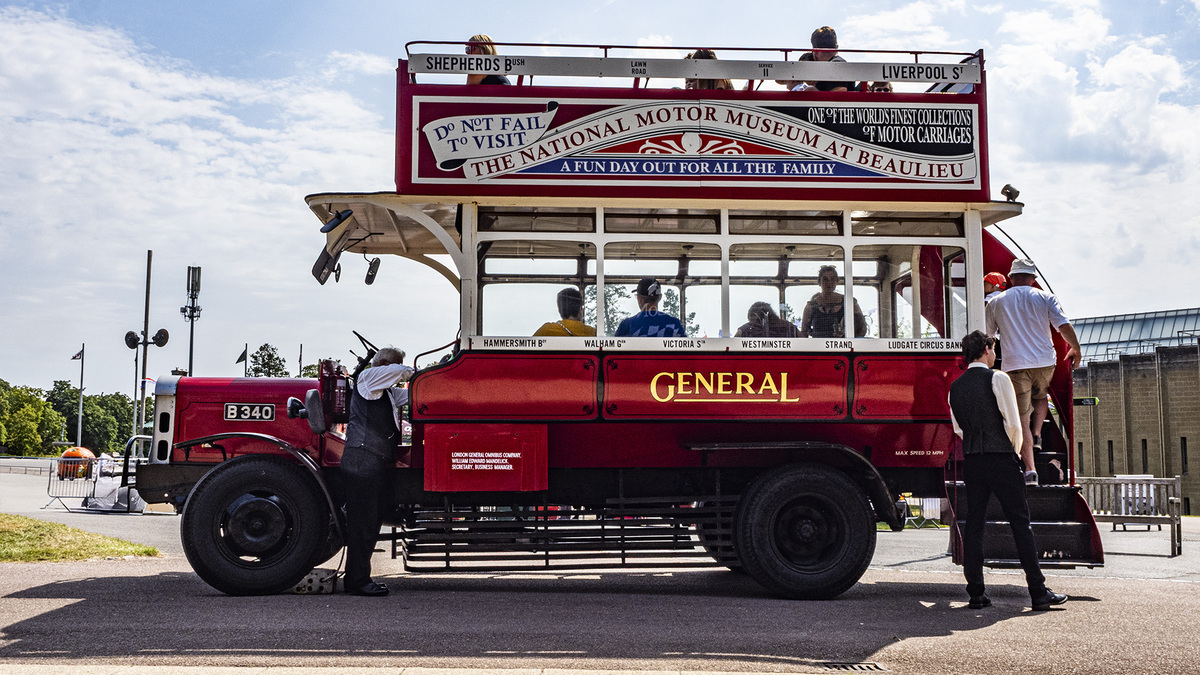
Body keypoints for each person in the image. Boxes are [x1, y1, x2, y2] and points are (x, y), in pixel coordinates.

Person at [949, 330, 1068, 612]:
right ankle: (1038, 592)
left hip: (973, 460)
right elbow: (1013, 424)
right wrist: (1013, 452)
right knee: (1020, 524)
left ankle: (976, 592)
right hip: (1001, 457)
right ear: (987, 349)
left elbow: (958, 428)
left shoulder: (955, 386)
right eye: (993, 348)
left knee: (975, 525)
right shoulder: (998, 378)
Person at [985, 258, 1082, 485]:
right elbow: (1063, 326)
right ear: (1033, 279)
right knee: (1041, 395)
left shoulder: (996, 302)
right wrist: (1075, 348)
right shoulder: (1045, 297)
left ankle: (1030, 471)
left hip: (1015, 364)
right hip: (1045, 361)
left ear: (1010, 278)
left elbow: (989, 336)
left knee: (1021, 417)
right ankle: (1038, 434)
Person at [342, 347, 414, 597]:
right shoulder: (368, 379)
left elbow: (414, 394)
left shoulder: (386, 393)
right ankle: (357, 582)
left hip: (371, 459)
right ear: (383, 364)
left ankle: (359, 579)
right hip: (363, 458)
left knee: (370, 521)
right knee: (363, 522)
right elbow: (402, 373)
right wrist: (417, 373)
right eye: (395, 365)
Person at [799, 265, 867, 338]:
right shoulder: (811, 307)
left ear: (837, 281)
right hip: (818, 347)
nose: (829, 282)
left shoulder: (849, 302)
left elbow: (861, 329)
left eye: (832, 279)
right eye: (825, 279)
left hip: (844, 347)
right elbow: (804, 333)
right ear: (819, 282)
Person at [615, 278, 686, 337]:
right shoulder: (675, 324)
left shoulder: (627, 325)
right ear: (660, 297)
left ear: (640, 299)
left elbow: (614, 350)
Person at [809, 26, 856, 92]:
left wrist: (812, 90)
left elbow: (840, 92)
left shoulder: (835, 65)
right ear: (836, 47)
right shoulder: (839, 63)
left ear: (815, 51)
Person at [735, 301, 800, 338]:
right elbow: (803, 341)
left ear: (751, 315)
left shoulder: (744, 329)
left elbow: (733, 347)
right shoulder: (788, 326)